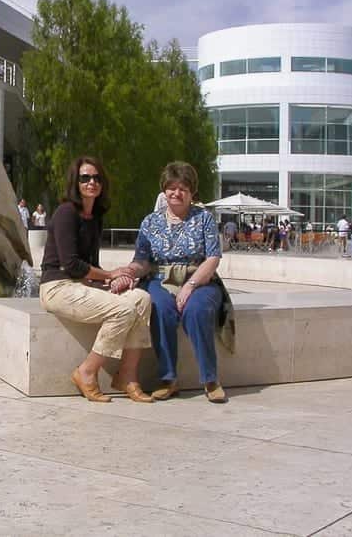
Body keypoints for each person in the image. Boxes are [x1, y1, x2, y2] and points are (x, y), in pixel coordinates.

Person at [39, 156, 154, 403]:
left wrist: (113, 281)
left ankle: (127, 376)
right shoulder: (65, 213)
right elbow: (71, 264)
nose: (92, 182)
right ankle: (86, 372)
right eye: (85, 178)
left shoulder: (96, 216)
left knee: (142, 298)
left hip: (80, 284)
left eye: (96, 178)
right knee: (123, 310)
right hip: (57, 286)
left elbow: (90, 264)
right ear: (76, 182)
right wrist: (111, 274)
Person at [123, 161, 234, 404]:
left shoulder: (204, 218)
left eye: (183, 187)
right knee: (160, 308)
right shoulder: (150, 222)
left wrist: (190, 286)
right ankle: (168, 379)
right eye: (171, 187)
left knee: (196, 310)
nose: (176, 193)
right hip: (160, 278)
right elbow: (142, 260)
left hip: (200, 279)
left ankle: (210, 379)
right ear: (164, 190)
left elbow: (213, 258)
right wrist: (130, 271)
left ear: (192, 192)